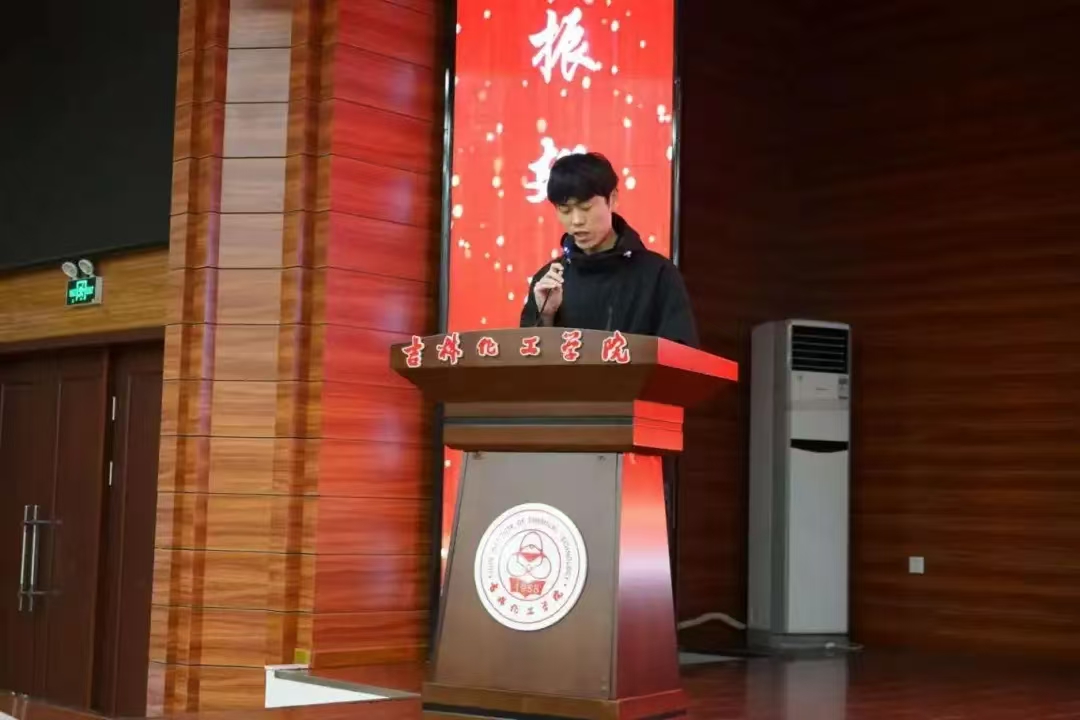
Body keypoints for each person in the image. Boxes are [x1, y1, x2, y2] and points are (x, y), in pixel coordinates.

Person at [519, 152, 699, 347]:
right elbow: (527, 357)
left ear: (612, 199)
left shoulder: (658, 275)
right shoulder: (548, 281)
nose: (576, 220)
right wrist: (546, 316)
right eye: (565, 210)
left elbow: (681, 354)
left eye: (586, 207)